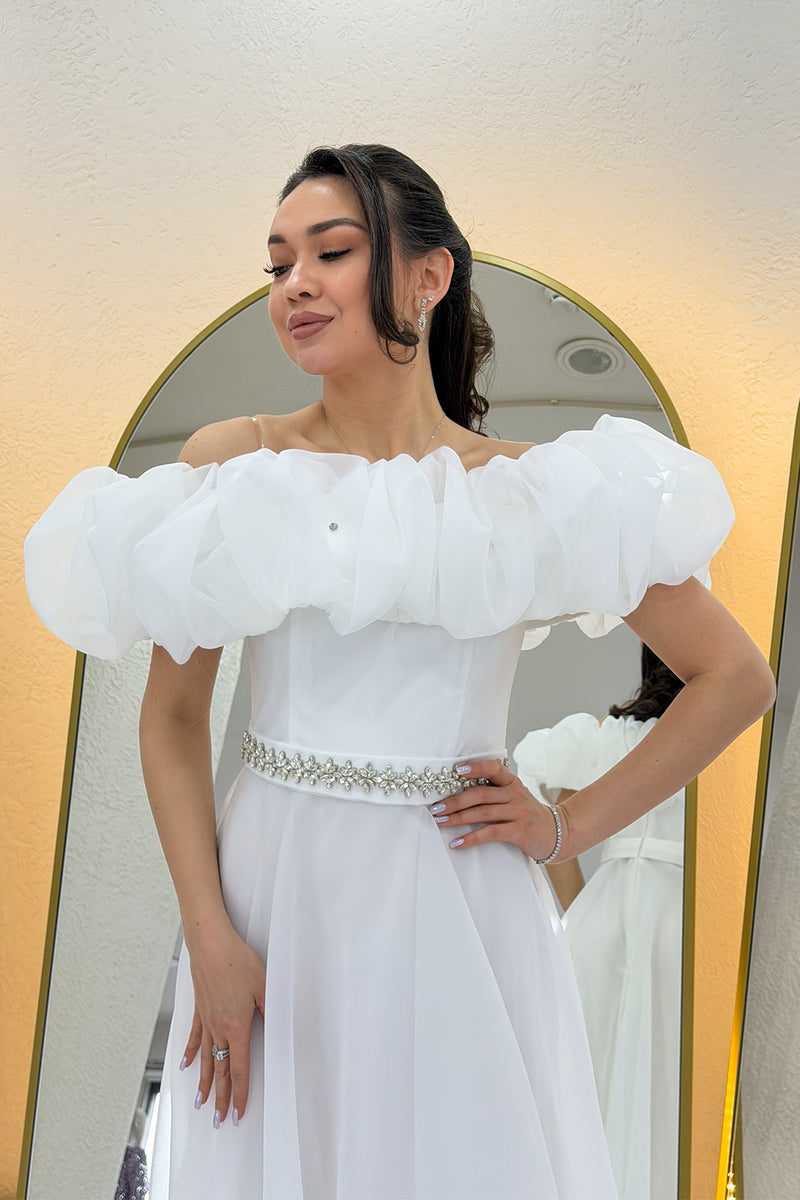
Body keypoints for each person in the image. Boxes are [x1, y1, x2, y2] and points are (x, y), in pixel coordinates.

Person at [24, 143, 775, 1200]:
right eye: (277, 262)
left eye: (330, 251)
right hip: (269, 893)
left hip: (456, 900)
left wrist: (567, 824)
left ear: (428, 275)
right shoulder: (232, 467)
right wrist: (211, 938)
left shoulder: (530, 494)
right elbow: (172, 721)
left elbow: (736, 677)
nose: (295, 283)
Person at [514, 645, 687, 1200]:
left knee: (585, 1086)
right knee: (665, 1089)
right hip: (675, 918)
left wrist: (578, 907)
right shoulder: (714, 733)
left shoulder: (612, 734)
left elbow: (551, 792)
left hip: (604, 918)